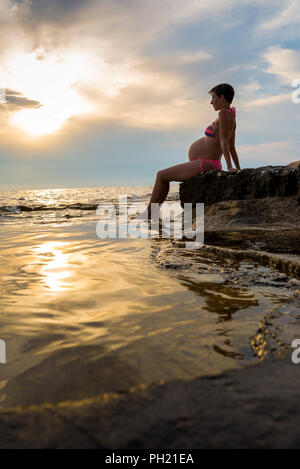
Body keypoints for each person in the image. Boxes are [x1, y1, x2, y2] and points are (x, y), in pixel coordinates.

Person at [139, 83, 241, 219]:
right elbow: (231, 147)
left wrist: (229, 167)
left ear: (222, 97)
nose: (211, 102)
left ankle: (149, 214)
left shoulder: (223, 114)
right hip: (209, 162)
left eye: (213, 98)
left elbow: (224, 142)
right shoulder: (232, 117)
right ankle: (151, 214)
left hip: (206, 163)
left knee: (161, 175)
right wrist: (238, 169)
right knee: (163, 177)